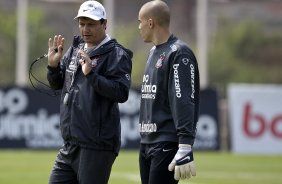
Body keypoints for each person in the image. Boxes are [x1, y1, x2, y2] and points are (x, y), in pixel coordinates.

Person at [46, 1, 133, 184]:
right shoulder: (75, 50)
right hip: (70, 143)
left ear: (104, 24)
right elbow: (58, 85)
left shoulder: (117, 54)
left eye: (91, 24)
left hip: (96, 146)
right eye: (82, 23)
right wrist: (53, 67)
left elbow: (121, 92)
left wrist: (91, 75)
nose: (85, 29)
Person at [137, 1, 200, 184]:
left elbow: (184, 99)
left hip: (166, 143)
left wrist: (185, 144)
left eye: (140, 22)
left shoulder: (179, 53)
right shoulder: (152, 52)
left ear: (150, 23)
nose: (138, 27)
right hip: (147, 142)